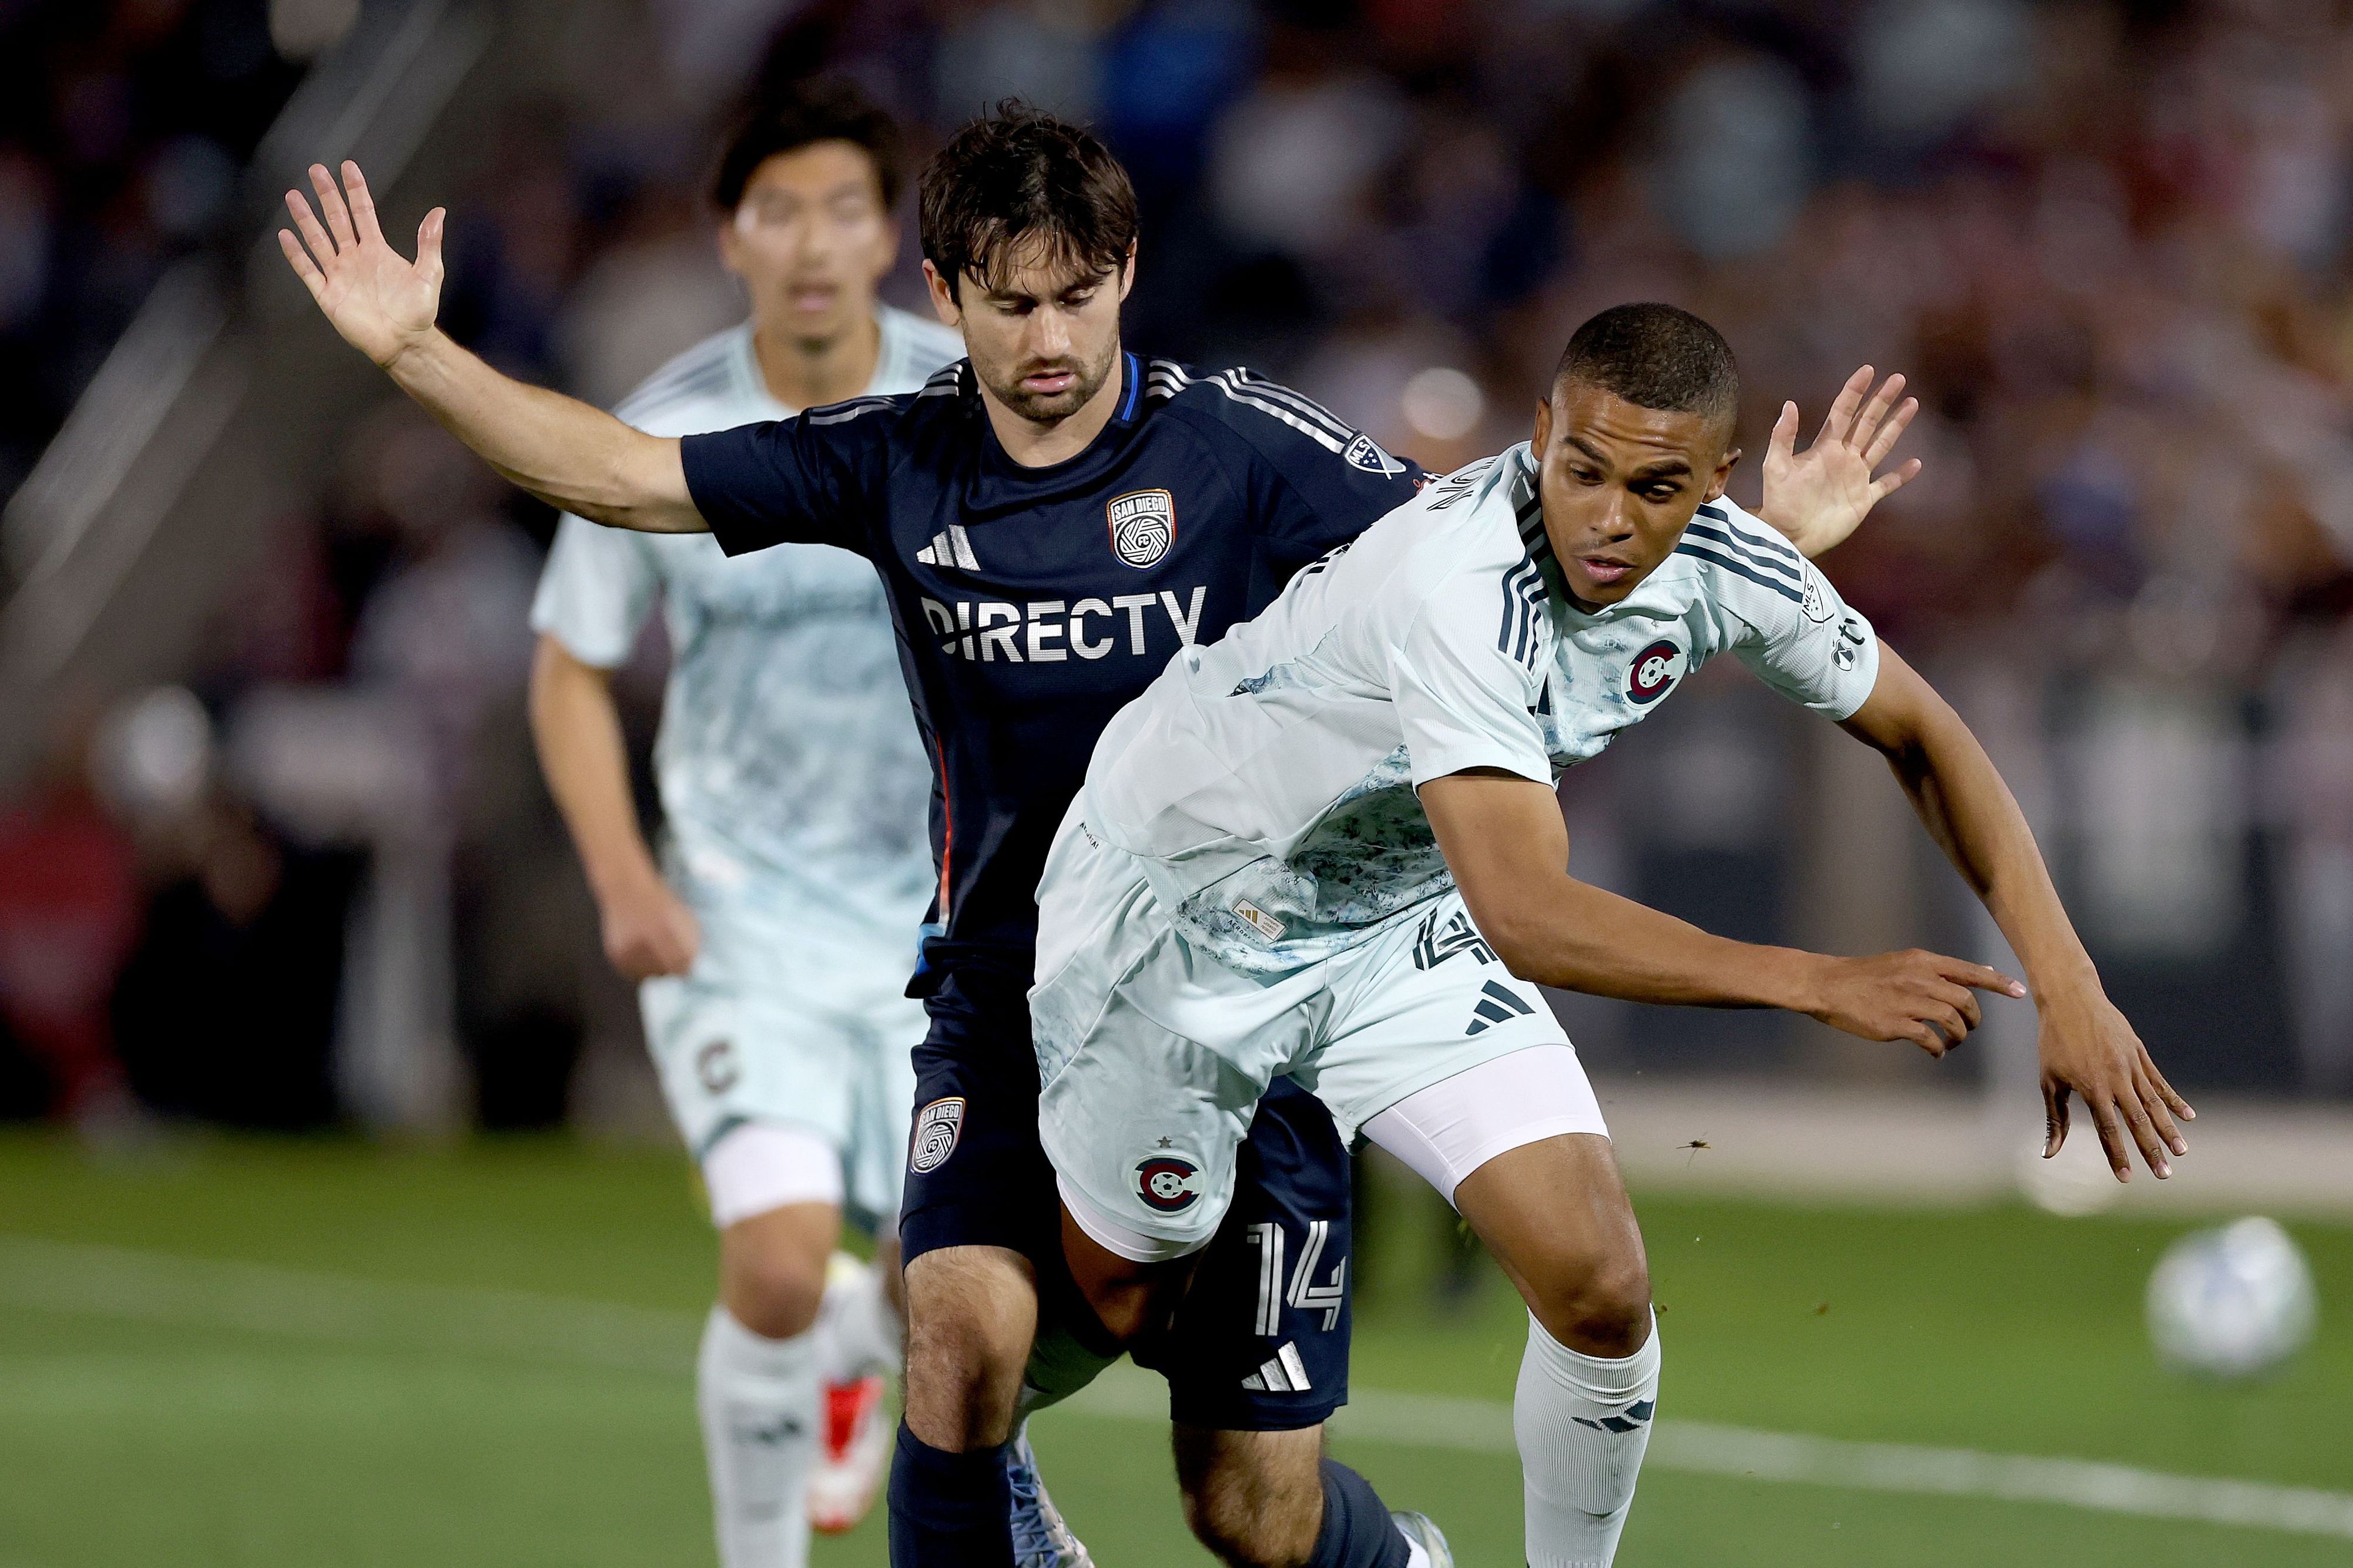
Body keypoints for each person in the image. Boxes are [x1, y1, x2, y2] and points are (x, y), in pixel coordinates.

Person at [274, 111, 1890, 1568]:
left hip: (1244, 989)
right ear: (946, 291)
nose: (1046, 339)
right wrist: (417, 354)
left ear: (1125, 273)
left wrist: (1738, 557)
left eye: (1075, 295)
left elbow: (1501, 568)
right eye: (1007, 300)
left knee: (1244, 1505)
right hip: (1009, 987)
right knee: (955, 1344)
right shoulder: (896, 455)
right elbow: (624, 477)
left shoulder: (1239, 446)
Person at [1027, 302, 2198, 1567]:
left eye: (1655, 488)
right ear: (1538, 434)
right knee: (1115, 1292)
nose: (1606, 517)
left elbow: (1925, 732)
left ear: (1713, 487)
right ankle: (974, 1417)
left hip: (1389, 917)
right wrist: (1812, 983)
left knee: (1598, 1287)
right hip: (1184, 913)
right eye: (1580, 469)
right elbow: (1525, 914)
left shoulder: (1729, 565)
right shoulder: (1455, 582)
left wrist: (2070, 985)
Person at [524, 82, 972, 1565]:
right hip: (742, 917)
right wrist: (624, 877)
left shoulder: (963, 406)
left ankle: (862, 1338)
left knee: (949, 1288)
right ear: (731, 237)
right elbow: (570, 670)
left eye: (843, 207)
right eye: (776, 211)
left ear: (891, 237)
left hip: (944, 921)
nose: (811, 242)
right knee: (775, 1268)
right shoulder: (664, 434)